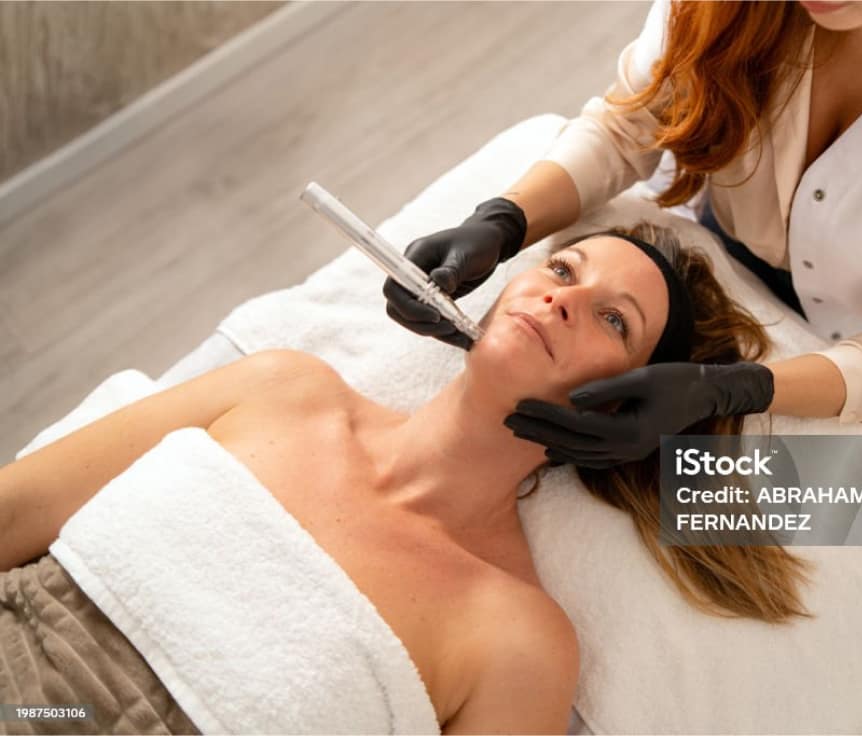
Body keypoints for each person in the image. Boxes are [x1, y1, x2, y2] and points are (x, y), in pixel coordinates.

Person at [0, 225, 808, 734]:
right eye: (563, 268)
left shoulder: (519, 641)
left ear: (626, 410)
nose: (565, 299)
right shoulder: (282, 385)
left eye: (612, 320)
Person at [384, 0, 862, 466]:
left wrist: (733, 391)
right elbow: (633, 123)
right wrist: (503, 220)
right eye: (569, 278)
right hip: (717, 264)